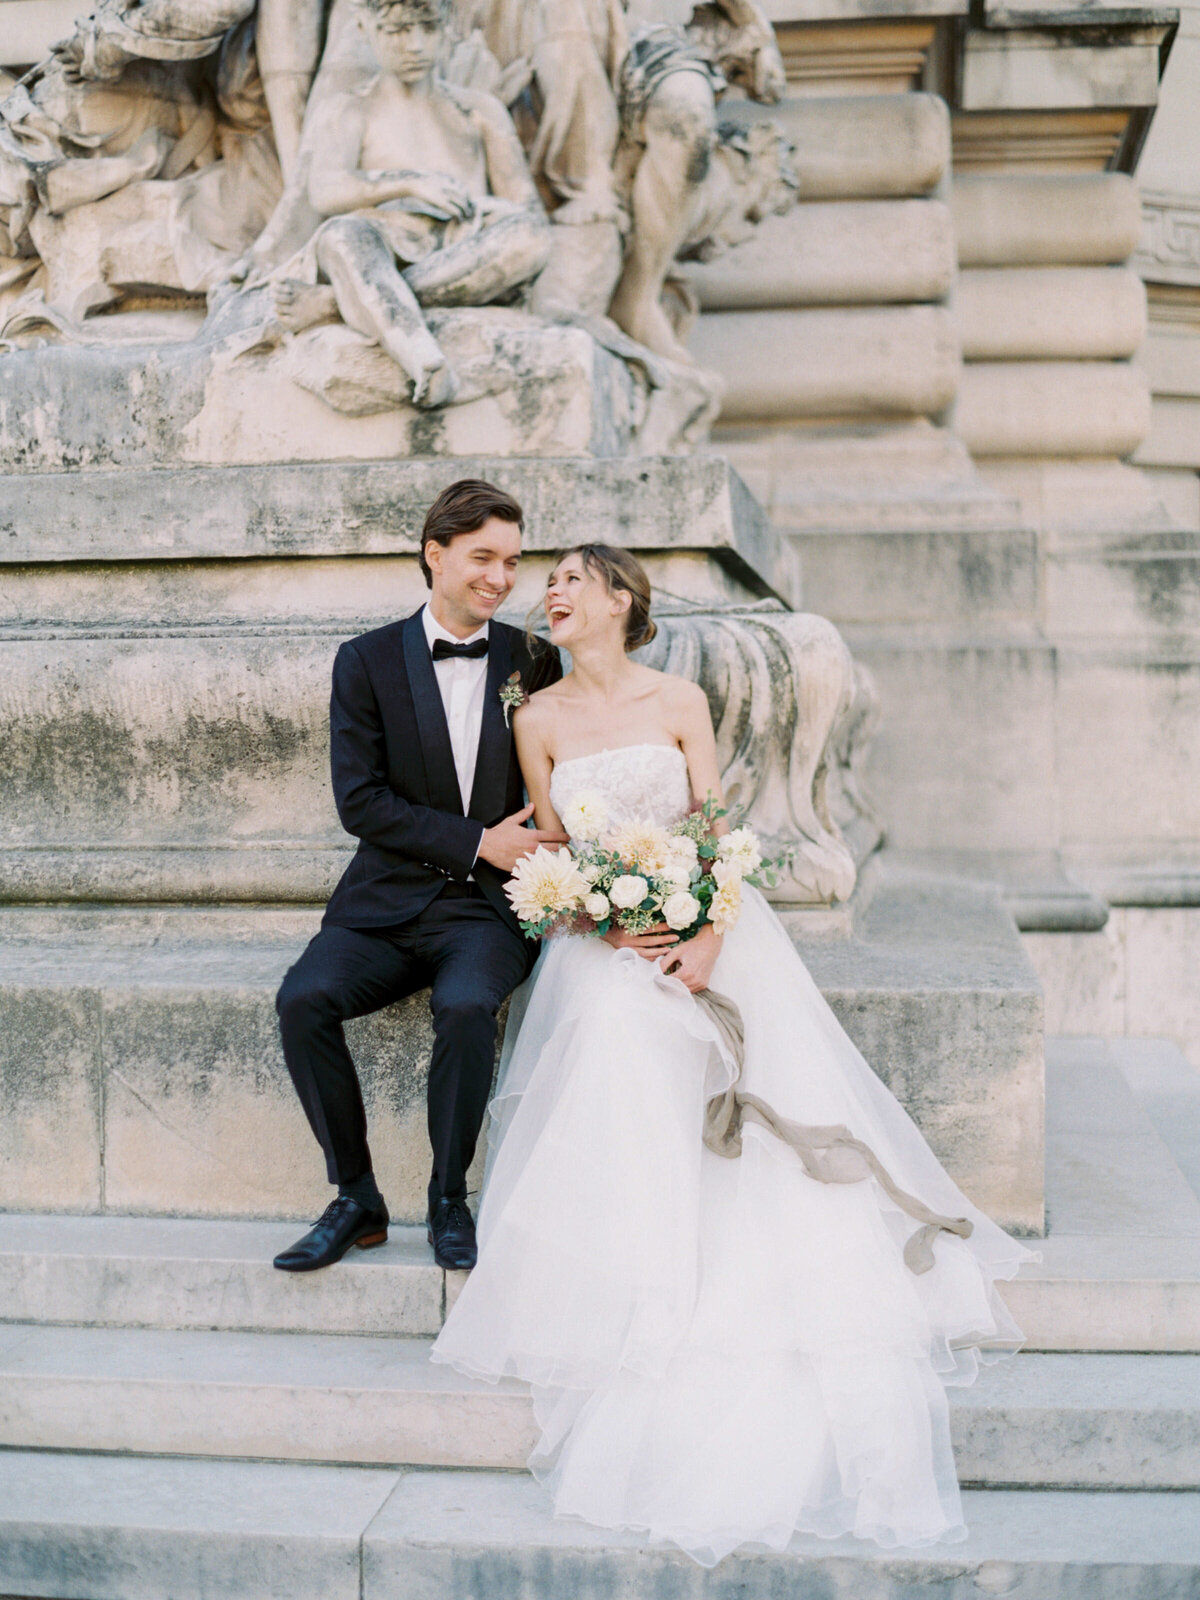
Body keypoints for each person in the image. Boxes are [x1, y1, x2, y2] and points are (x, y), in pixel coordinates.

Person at [431, 543, 1038, 1564]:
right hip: (606, 940)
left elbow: (713, 822)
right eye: (553, 586)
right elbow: (552, 841)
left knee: (720, 1047)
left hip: (711, 923)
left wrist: (706, 930)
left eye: (575, 580)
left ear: (622, 600)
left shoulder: (680, 699)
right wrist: (598, 915)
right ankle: (643, 1280)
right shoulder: (534, 719)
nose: (555, 594)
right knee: (619, 1029)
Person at [273, 479, 564, 1273]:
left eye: (511, 561)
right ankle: (356, 1197)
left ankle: (448, 1199)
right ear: (435, 555)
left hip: (486, 915)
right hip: (385, 901)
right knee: (302, 1000)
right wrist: (478, 842)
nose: (501, 578)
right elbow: (359, 801)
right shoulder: (364, 661)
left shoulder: (533, 662)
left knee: (469, 1007)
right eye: (483, 558)